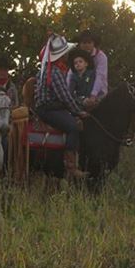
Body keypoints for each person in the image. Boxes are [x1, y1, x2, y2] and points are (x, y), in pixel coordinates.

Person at [35, 34, 89, 179]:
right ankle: (71, 166)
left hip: (48, 107)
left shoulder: (50, 69)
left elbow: (66, 96)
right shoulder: (55, 72)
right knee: (73, 127)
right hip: (49, 108)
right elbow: (65, 97)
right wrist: (78, 111)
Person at [76, 30, 108, 109]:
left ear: (94, 43)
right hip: (81, 98)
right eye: (84, 43)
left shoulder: (101, 57)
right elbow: (71, 76)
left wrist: (93, 96)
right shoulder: (76, 57)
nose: (86, 45)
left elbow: (100, 77)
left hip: (99, 96)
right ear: (80, 44)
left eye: (89, 43)